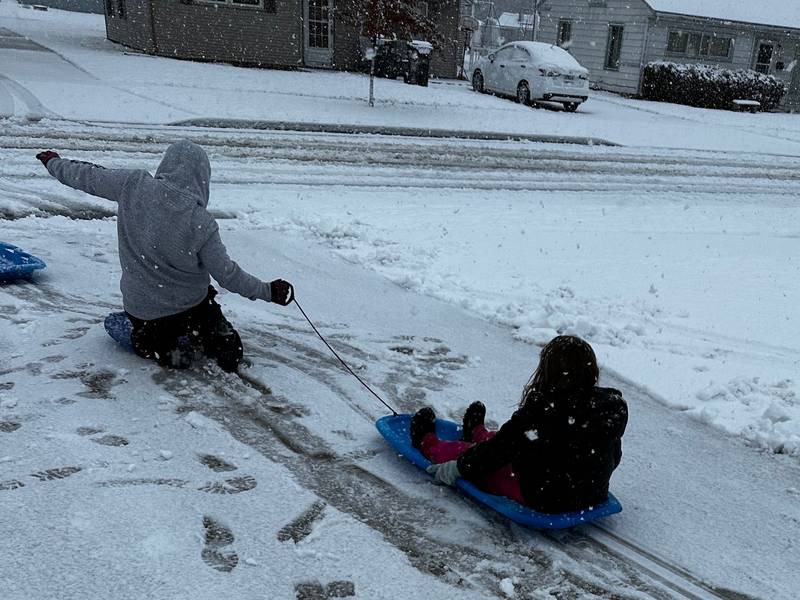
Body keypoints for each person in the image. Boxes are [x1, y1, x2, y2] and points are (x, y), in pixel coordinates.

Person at [36, 141, 294, 373]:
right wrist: (268, 291)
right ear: (203, 177)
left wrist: (55, 163)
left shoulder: (135, 186)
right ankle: (136, 333)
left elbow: (88, 176)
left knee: (230, 355)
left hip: (191, 306)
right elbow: (228, 275)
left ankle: (158, 334)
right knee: (180, 360)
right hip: (154, 311)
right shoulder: (197, 220)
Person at [410, 335, 628, 513]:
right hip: (592, 494)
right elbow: (613, 456)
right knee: (521, 439)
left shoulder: (543, 410)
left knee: (474, 453)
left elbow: (498, 452)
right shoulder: (607, 408)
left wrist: (458, 468)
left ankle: (428, 442)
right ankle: (478, 433)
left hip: (542, 494)